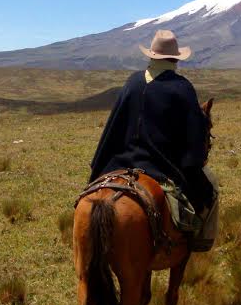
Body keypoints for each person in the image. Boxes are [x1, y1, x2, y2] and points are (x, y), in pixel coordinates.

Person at [89, 29, 217, 246]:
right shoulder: (182, 88)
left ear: (152, 55)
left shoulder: (132, 82)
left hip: (117, 163)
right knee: (211, 187)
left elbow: (113, 127)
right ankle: (200, 241)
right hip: (160, 168)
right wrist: (191, 165)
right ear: (175, 58)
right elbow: (194, 139)